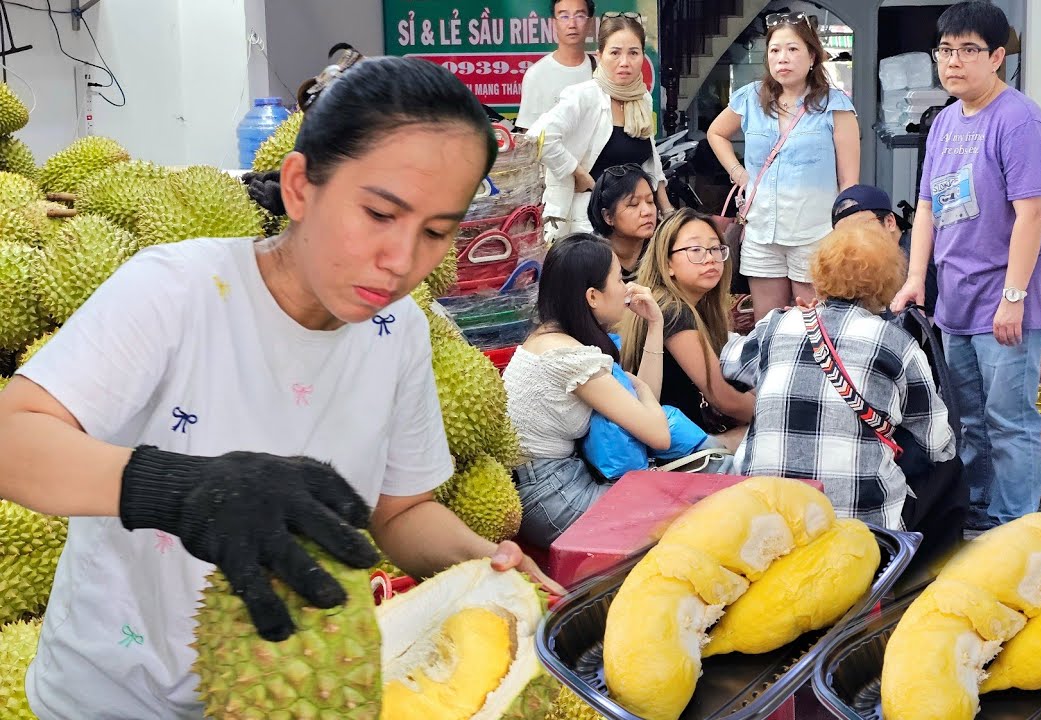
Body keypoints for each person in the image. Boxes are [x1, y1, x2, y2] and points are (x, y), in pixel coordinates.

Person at [0, 57, 564, 719]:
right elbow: (14, 436)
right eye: (380, 213)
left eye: (436, 232)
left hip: (280, 695)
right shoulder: (175, 291)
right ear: (299, 187)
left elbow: (401, 511)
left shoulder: (400, 333)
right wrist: (185, 488)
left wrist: (481, 562)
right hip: (111, 699)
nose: (403, 259)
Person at [890, 1, 1041, 529]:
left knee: (1010, 420)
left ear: (997, 58)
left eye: (968, 51)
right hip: (956, 298)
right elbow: (926, 207)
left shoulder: (1019, 120)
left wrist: (1013, 298)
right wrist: (917, 277)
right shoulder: (943, 122)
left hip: (1008, 299)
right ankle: (980, 507)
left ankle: (1015, 524)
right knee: (969, 421)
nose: (953, 62)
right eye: (945, 50)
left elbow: (1032, 215)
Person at [720, 218, 955, 529]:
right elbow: (937, 442)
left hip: (762, 514)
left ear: (819, 274)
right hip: (857, 523)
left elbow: (731, 366)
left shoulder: (777, 324)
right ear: (888, 282)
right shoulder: (898, 344)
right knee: (946, 470)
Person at [502, 234, 671, 548]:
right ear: (593, 296)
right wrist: (642, 386)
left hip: (545, 486)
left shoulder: (546, 338)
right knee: (680, 516)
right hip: (553, 496)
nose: (627, 289)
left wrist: (654, 326)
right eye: (620, 279)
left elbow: (645, 410)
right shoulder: (569, 358)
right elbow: (658, 433)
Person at [706, 11, 861, 322]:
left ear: (813, 56)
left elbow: (849, 182)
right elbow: (716, 132)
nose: (782, 58)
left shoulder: (836, 105)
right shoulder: (750, 98)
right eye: (775, 50)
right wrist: (738, 173)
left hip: (814, 234)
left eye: (792, 49)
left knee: (814, 325)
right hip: (762, 234)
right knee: (768, 325)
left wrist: (844, 233)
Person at [620, 208, 754, 450]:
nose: (710, 258)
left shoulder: (686, 305)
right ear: (667, 262)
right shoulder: (673, 311)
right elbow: (722, 398)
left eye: (715, 249)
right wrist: (777, 412)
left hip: (683, 433)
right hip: (675, 445)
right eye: (695, 250)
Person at [530, 13, 673, 239]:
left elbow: (650, 162)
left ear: (643, 56)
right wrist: (577, 173)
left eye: (633, 53)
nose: (624, 62)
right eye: (615, 53)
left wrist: (667, 211)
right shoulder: (584, 96)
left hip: (634, 225)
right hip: (587, 223)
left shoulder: (642, 98)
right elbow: (538, 136)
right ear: (600, 55)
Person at [833, 184, 938, 315]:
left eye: (861, 228)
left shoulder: (919, 263)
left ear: (889, 222)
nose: (853, 240)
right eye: (843, 236)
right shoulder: (856, 267)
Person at [514, 0, 596, 133]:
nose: (572, 24)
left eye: (579, 16)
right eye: (564, 16)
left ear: (590, 23)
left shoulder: (603, 69)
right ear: (554, 23)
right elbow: (528, 136)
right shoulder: (536, 75)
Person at [587, 162, 659, 283]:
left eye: (650, 201)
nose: (647, 211)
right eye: (633, 204)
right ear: (608, 216)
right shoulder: (591, 260)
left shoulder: (663, 249)